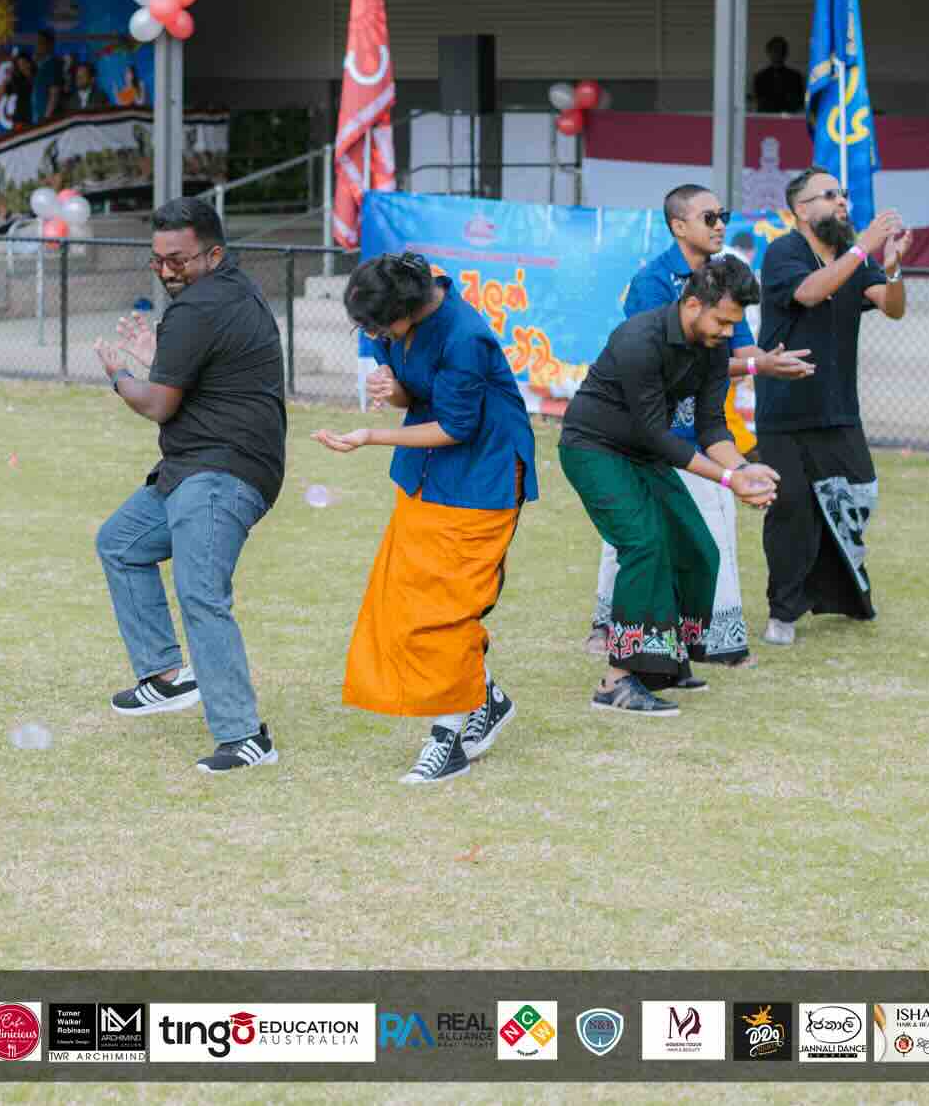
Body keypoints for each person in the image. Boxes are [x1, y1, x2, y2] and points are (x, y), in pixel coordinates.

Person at [310, 253, 536, 784]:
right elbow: (416, 392)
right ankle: (487, 700)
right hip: (425, 476)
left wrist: (370, 435)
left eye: (377, 328)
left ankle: (447, 740)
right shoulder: (396, 308)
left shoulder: (465, 337)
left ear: (408, 310)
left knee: (448, 610)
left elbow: (456, 426)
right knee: (405, 600)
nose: (372, 336)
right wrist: (397, 392)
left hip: (482, 477)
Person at [91, 197, 285, 774]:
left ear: (214, 253)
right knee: (121, 542)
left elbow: (157, 404)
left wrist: (121, 374)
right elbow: (195, 370)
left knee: (201, 593)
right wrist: (160, 358)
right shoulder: (230, 290)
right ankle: (167, 676)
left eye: (178, 259)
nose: (166, 270)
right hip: (196, 467)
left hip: (222, 471)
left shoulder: (200, 307)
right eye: (157, 261)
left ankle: (246, 737)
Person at [582, 185, 814, 668]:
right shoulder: (651, 289)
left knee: (702, 540)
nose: (719, 224)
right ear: (678, 226)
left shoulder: (723, 290)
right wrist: (731, 474)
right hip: (625, 438)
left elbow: (727, 365)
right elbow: (660, 387)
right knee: (637, 537)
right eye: (708, 216)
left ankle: (690, 646)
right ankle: (620, 652)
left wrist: (764, 362)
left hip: (682, 435)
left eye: (722, 215)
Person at [560, 258, 779, 718]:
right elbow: (656, 434)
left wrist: (745, 469)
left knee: (699, 549)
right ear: (693, 303)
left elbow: (711, 425)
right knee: (643, 544)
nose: (727, 333)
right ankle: (616, 682)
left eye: (734, 324)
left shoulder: (714, 348)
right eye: (722, 321)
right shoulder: (639, 339)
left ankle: (661, 660)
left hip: (643, 451)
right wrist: (728, 479)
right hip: (593, 448)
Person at [753, 168, 908, 646]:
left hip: (839, 406)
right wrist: (865, 246)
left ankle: (841, 590)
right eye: (829, 195)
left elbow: (892, 306)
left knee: (858, 496)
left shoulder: (852, 258)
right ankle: (784, 610)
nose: (842, 201)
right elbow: (809, 292)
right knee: (792, 508)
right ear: (801, 210)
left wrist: (895, 267)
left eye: (843, 194)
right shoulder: (784, 251)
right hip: (785, 408)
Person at [752, 36, 804, 114]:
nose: (778, 53)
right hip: (766, 118)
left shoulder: (795, 77)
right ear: (768, 52)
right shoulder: (760, 77)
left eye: (781, 50)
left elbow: (799, 101)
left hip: (790, 118)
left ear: (785, 53)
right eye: (775, 50)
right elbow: (759, 102)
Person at [31, 29, 62, 124]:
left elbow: (54, 92)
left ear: (49, 45)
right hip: (37, 116)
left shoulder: (53, 64)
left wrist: (46, 117)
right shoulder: (40, 64)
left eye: (40, 43)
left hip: (46, 119)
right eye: (37, 43)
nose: (37, 46)